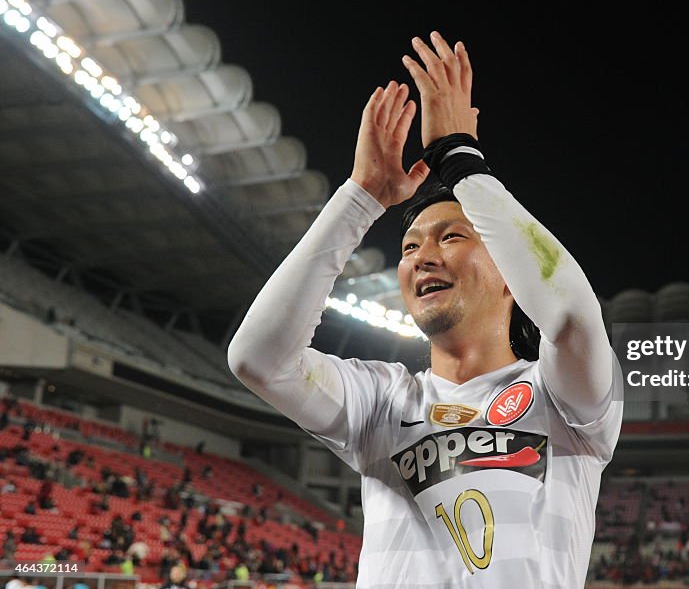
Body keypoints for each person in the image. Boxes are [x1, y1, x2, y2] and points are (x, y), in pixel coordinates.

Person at [228, 31, 622, 588]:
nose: (421, 257)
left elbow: (572, 316)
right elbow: (256, 360)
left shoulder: (564, 396)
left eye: (450, 237)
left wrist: (460, 159)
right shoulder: (382, 404)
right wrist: (361, 196)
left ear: (512, 274)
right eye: (410, 246)